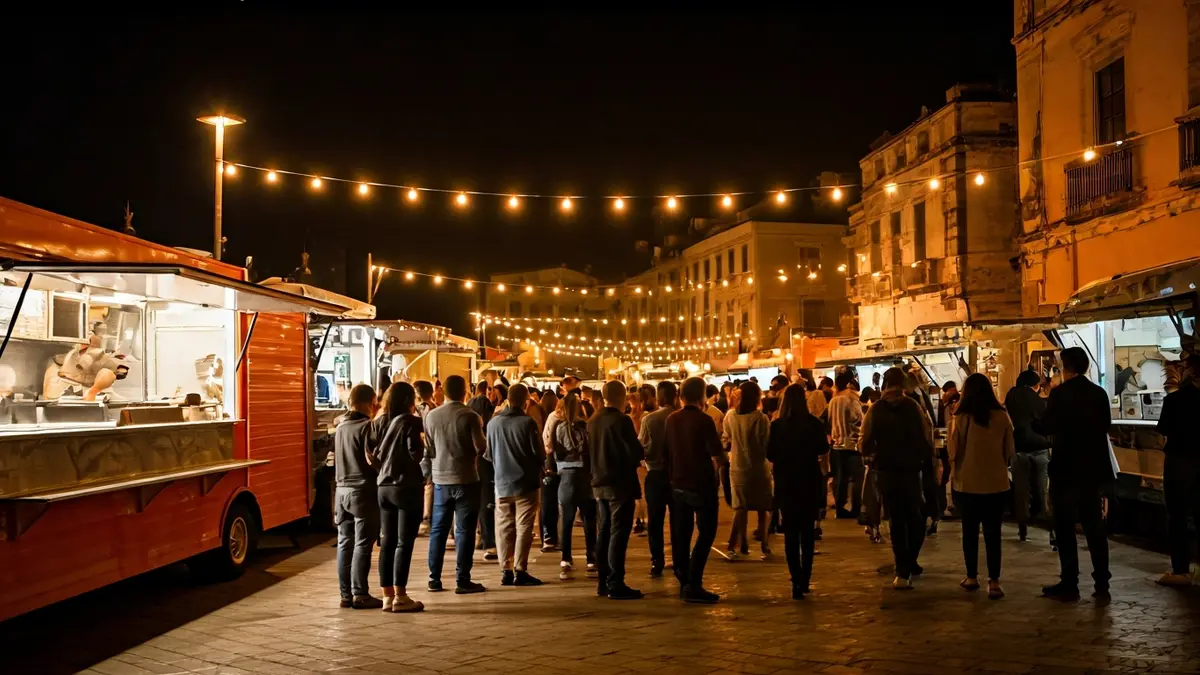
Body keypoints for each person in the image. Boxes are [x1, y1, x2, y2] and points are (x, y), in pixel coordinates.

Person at [1034, 347, 1115, 600]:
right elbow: (1106, 425)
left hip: (1066, 468)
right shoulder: (1099, 393)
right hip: (1092, 469)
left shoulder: (1060, 394)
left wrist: (1035, 422)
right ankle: (1102, 583)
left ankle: (1070, 582)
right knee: (1094, 526)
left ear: (1065, 367)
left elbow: (1047, 425)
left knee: (1065, 527)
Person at [860, 367, 934, 590]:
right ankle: (910, 561)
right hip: (911, 470)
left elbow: (864, 441)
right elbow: (927, 436)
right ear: (903, 384)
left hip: (886, 471)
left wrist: (871, 453)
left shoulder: (875, 409)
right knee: (916, 517)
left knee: (897, 520)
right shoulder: (913, 407)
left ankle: (903, 571)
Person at [948, 373, 1015, 599]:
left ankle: (971, 577)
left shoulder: (960, 417)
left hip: (967, 484)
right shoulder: (1002, 416)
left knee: (969, 532)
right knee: (993, 533)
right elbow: (1009, 451)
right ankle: (994, 581)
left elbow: (953, 452)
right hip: (997, 484)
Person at [422, 375, 488, 594]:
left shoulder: (431, 416)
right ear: (465, 391)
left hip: (440, 479)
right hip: (466, 478)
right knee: (464, 531)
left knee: (438, 530)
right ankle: (462, 579)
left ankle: (434, 578)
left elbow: (429, 448)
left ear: (444, 391)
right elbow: (480, 447)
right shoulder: (470, 415)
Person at [664, 376, 726, 603]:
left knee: (681, 533)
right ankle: (693, 581)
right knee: (706, 532)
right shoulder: (704, 420)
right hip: (701, 483)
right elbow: (717, 454)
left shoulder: (672, 419)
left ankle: (684, 577)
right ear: (702, 396)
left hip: (678, 482)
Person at [767, 383, 830, 599]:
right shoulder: (813, 423)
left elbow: (770, 453)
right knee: (807, 532)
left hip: (786, 482)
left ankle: (795, 579)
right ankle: (805, 578)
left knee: (791, 533)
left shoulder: (777, 426)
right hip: (809, 480)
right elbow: (823, 448)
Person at [589, 380, 646, 599]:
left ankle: (603, 581)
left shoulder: (594, 420)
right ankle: (615, 582)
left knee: (604, 531)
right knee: (618, 533)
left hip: (599, 482)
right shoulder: (621, 421)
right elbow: (635, 451)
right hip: (619, 483)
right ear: (622, 398)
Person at [485, 383, 545, 587]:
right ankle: (520, 569)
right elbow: (539, 453)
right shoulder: (528, 423)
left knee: (503, 527)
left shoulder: (493, 423)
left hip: (501, 482)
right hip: (526, 483)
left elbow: (488, 454)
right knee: (524, 526)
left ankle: (506, 569)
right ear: (525, 401)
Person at [374, 382, 426, 612]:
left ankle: (387, 596)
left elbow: (371, 454)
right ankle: (400, 596)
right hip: (405, 487)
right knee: (404, 542)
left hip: (383, 487)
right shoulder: (411, 422)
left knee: (387, 541)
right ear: (408, 401)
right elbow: (415, 451)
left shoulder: (378, 422)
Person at [335, 384, 382, 609]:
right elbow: (374, 459)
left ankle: (346, 595)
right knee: (363, 543)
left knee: (345, 543)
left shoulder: (341, 426)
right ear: (370, 403)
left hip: (341, 491)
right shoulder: (367, 427)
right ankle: (360, 594)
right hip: (362, 490)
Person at [1156, 353, 1200, 587]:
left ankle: (1181, 571)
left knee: (1177, 515)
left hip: (1180, 460)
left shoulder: (1175, 400)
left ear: (1190, 371)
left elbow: (1164, 428)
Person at [724, 381, 773, 560]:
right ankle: (764, 544)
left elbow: (726, 437)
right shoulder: (760, 418)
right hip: (758, 466)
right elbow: (766, 442)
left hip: (737, 466)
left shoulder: (730, 416)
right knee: (763, 507)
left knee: (740, 507)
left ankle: (739, 543)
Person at [553, 394, 598, 581]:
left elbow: (556, 453)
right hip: (584, 475)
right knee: (589, 518)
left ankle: (566, 558)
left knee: (567, 519)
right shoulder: (586, 427)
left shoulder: (559, 427)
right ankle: (591, 559)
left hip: (566, 475)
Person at [1005, 369, 1052, 542]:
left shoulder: (1011, 396)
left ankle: (1022, 529)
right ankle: (1051, 528)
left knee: (1021, 491)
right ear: (1035, 385)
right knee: (1043, 490)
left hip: (1019, 449)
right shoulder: (1040, 401)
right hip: (1040, 448)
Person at [638, 380, 678, 577]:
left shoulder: (650, 420)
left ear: (659, 397)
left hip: (655, 474)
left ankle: (657, 560)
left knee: (655, 520)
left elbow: (642, 447)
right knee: (679, 518)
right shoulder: (681, 417)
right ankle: (679, 557)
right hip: (678, 475)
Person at [828, 371, 864, 520]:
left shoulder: (833, 401)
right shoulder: (851, 399)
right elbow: (857, 419)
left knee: (840, 478)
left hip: (836, 445)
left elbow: (829, 420)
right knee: (857, 478)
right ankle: (856, 508)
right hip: (852, 444)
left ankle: (840, 507)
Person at [468, 381, 498, 563]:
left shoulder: (466, 418)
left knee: (473, 503)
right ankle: (489, 541)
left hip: (468, 465)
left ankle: (479, 537)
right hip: (485, 465)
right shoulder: (489, 425)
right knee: (487, 502)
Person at [537, 390, 560, 552]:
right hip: (561, 462)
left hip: (548, 461)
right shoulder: (557, 417)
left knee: (547, 501)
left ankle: (548, 537)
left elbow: (546, 441)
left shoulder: (549, 417)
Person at [414, 379, 437, 536]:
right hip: (432, 450)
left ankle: (425, 519)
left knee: (426, 484)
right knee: (429, 483)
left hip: (423, 450)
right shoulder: (435, 407)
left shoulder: (421, 409)